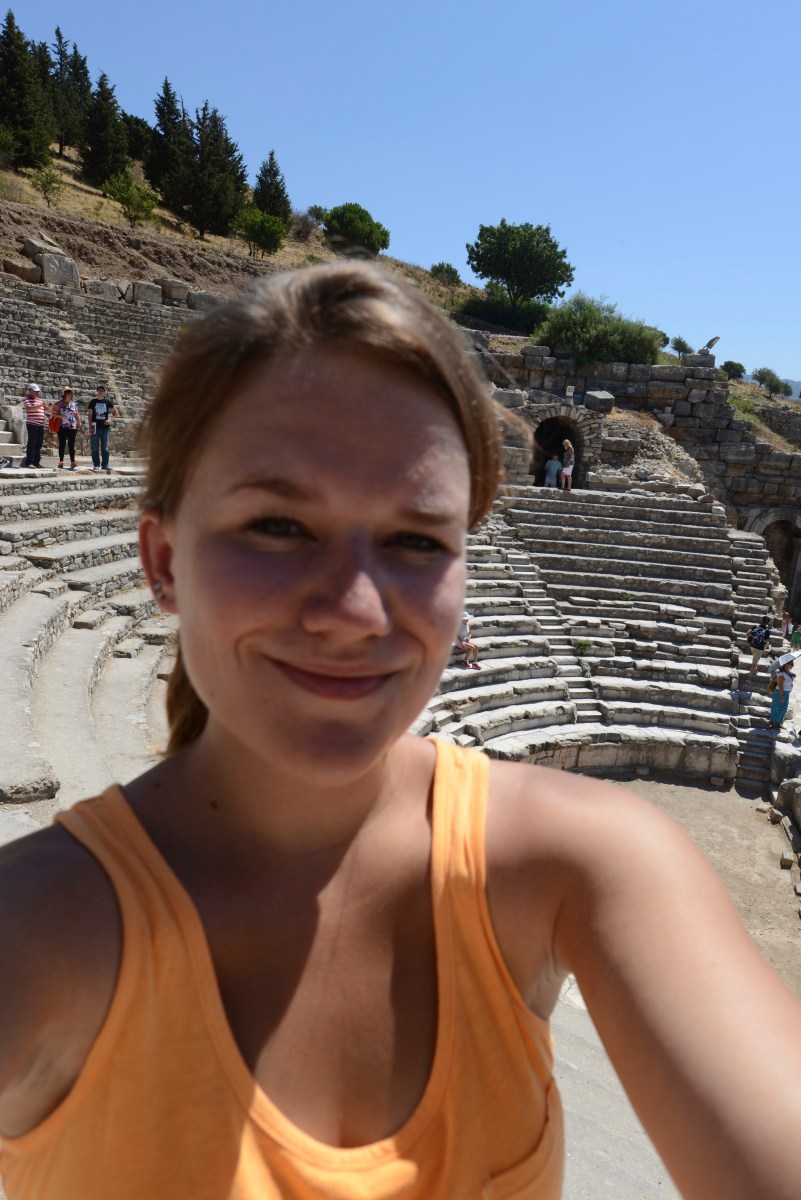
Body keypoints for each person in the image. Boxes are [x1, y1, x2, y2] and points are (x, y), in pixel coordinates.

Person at [1, 262, 800, 1200]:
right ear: (163, 560)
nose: (353, 610)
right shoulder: (36, 929)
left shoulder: (588, 861)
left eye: (416, 540)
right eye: (277, 525)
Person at [87, 384, 119, 473]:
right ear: (97, 391)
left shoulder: (107, 401)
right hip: (95, 426)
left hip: (105, 428)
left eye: (102, 391)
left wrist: (110, 420)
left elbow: (116, 412)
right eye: (99, 390)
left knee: (105, 447)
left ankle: (105, 465)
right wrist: (90, 427)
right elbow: (90, 415)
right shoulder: (93, 402)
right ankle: (96, 465)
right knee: (94, 447)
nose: (100, 392)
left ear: (104, 392)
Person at [53, 387, 81, 470]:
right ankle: (61, 461)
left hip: (72, 427)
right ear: (64, 394)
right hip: (62, 427)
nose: (70, 395)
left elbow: (77, 415)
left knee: (71, 444)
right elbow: (53, 414)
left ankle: (73, 461)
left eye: (71, 393)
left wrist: (79, 423)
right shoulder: (58, 403)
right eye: (68, 393)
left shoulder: (73, 404)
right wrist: (61, 416)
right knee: (62, 444)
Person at [22, 382, 47, 468]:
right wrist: (41, 405)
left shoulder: (39, 400)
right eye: (35, 391)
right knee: (32, 443)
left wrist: (50, 406)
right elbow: (29, 409)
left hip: (40, 425)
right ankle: (29, 462)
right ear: (30, 391)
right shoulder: (27, 399)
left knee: (39, 444)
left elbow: (46, 409)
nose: (37, 393)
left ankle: (36, 462)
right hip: (32, 424)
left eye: (38, 391)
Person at [769, 658, 795, 729]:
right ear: (786, 664)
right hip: (780, 693)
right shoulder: (782, 674)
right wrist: (782, 696)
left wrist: (792, 677)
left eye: (793, 664)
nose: (792, 665)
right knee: (778, 708)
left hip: (786, 693)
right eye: (791, 664)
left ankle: (779, 722)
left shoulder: (788, 672)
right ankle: (775, 723)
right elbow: (780, 685)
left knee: (784, 708)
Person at [746, 615, 772, 679]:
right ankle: (749, 676)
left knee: (755, 658)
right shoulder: (767, 631)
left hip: (752, 645)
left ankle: (755, 670)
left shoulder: (755, 626)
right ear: (768, 623)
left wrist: (749, 641)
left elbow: (747, 633)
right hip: (759, 648)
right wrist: (764, 647)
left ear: (761, 620)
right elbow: (766, 642)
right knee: (754, 663)